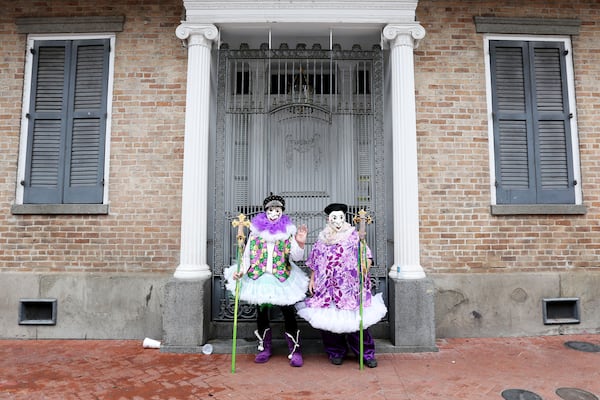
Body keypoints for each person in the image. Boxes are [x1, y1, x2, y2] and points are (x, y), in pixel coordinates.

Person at [296, 203, 387, 368]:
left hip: (349, 287)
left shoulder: (354, 236)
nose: (337, 221)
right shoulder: (322, 239)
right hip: (327, 287)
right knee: (329, 321)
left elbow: (366, 255)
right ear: (328, 219)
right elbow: (315, 261)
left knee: (356, 321)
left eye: (340, 217)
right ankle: (335, 351)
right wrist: (312, 279)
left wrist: (364, 270)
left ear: (345, 218)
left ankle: (366, 353)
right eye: (333, 217)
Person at [225, 194, 308, 367]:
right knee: (262, 313)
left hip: (282, 278)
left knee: (288, 313)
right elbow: (247, 256)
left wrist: (300, 243)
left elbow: (295, 257)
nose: (273, 213)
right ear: (265, 212)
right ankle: (265, 348)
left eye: (277, 210)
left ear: (282, 212)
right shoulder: (255, 233)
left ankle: (295, 349)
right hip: (259, 277)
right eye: (270, 210)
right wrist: (240, 271)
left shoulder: (287, 233)